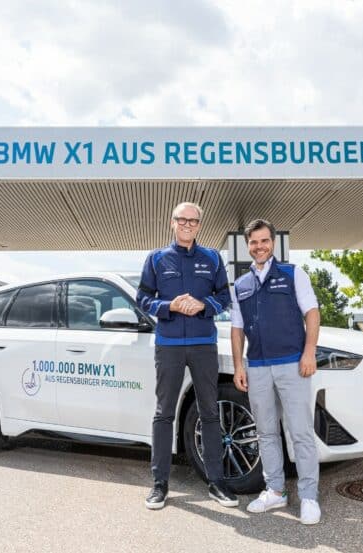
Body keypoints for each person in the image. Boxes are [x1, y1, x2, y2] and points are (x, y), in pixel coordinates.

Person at [136, 201, 238, 510]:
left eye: (193, 221)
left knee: (209, 412)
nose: (187, 225)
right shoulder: (156, 259)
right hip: (168, 345)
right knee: (164, 413)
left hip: (203, 344)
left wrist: (204, 305)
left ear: (199, 226)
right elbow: (142, 298)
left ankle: (216, 482)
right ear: (172, 222)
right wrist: (169, 306)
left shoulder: (212, 258)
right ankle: (159, 484)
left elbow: (225, 297)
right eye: (182, 219)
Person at [230, 218, 322, 524]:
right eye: (254, 242)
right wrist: (238, 365)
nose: (259, 247)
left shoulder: (293, 274)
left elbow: (312, 313)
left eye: (264, 241)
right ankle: (275, 491)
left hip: (292, 363)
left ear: (273, 243)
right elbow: (237, 329)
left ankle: (308, 496)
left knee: (300, 431)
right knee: (266, 432)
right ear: (248, 246)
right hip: (257, 367)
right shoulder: (240, 285)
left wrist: (309, 352)